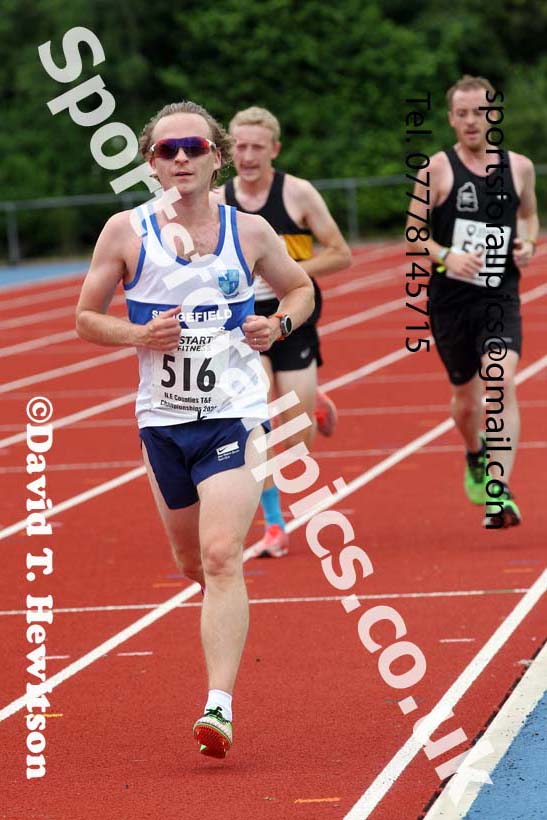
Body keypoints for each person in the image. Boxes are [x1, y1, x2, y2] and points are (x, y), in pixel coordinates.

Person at [75, 100, 314, 758]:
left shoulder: (250, 233)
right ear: (151, 162)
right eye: (165, 150)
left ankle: (218, 706)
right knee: (191, 563)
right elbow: (84, 318)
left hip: (232, 416)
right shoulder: (126, 232)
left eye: (192, 148)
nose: (180, 158)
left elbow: (300, 291)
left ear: (215, 157)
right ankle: (225, 616)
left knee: (220, 556)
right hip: (162, 423)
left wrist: (278, 325)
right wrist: (137, 332)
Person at [217, 106, 352, 557]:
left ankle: (312, 401)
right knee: (258, 420)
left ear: (274, 149)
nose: (248, 154)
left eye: (257, 146)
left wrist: (288, 270)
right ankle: (274, 524)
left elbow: (339, 253)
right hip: (241, 322)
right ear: (227, 149)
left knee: (294, 435)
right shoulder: (217, 201)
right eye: (239, 145)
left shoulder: (298, 194)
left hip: (293, 314)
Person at [406, 76, 539, 528]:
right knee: (466, 401)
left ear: (494, 115)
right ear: (451, 119)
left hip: (500, 295)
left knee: (499, 382)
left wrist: (527, 244)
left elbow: (527, 216)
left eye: (479, 112)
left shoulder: (519, 167)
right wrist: (447, 255)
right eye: (461, 113)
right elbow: (414, 233)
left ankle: (497, 494)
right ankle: (474, 452)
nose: (471, 121)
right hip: (450, 301)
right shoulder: (436, 170)